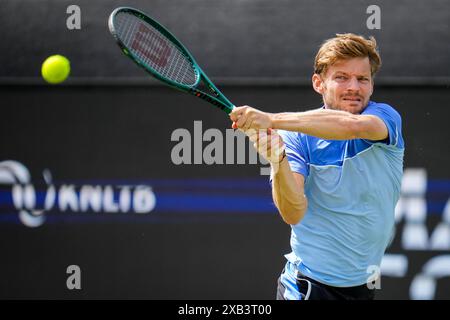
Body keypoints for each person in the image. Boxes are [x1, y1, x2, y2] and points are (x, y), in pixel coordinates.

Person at [229, 33, 404, 300]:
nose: (354, 87)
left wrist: (271, 119)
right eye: (342, 77)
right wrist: (279, 162)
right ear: (318, 83)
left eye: (363, 79)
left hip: (363, 289)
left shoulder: (385, 118)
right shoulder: (297, 138)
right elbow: (293, 213)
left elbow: (351, 127)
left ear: (371, 85)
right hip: (305, 287)